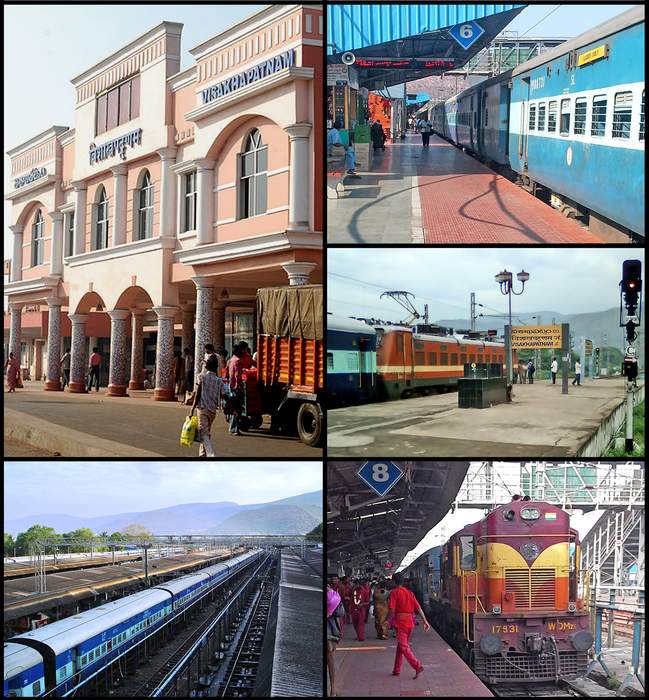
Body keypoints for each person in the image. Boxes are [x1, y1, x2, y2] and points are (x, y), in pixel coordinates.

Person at [389, 572, 430, 678]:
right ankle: (396, 670)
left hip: (401, 622)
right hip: (410, 622)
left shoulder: (394, 592)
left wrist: (387, 620)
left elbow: (392, 610)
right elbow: (418, 608)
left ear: (394, 581)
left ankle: (417, 666)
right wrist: (425, 621)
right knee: (400, 647)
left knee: (404, 646)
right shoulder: (410, 593)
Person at [189, 354, 220, 458]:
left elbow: (197, 394)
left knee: (204, 434)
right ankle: (202, 455)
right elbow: (224, 395)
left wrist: (192, 409)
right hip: (212, 411)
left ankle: (211, 454)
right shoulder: (219, 381)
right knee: (205, 433)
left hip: (202, 409)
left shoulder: (201, 377)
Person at [327, 584, 343, 697]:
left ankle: (333, 689)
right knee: (331, 661)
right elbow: (340, 613)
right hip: (330, 631)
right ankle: (333, 690)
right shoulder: (334, 595)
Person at [227, 344, 244, 435]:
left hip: (231, 386)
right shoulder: (238, 361)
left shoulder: (231, 360)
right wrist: (240, 386)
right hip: (236, 387)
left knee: (234, 407)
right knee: (237, 409)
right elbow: (237, 376)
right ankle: (234, 428)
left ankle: (233, 427)